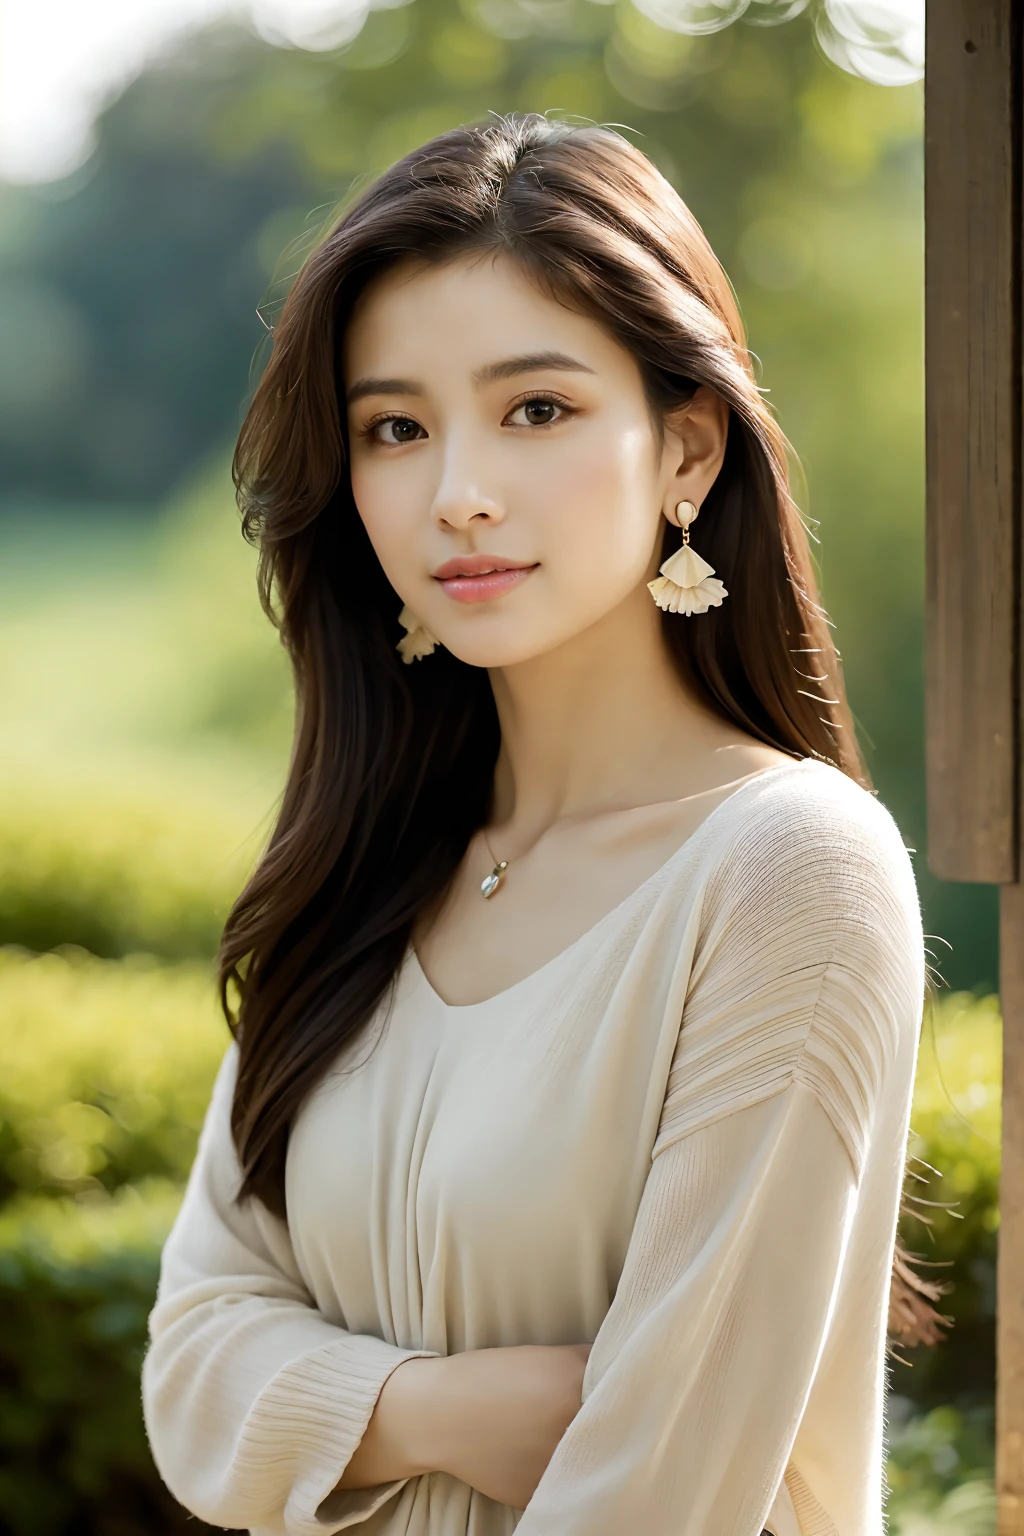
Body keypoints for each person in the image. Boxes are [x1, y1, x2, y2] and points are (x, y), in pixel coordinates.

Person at [141, 112, 935, 1536]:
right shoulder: (373, 860)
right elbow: (193, 1366)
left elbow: (655, 1497)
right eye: (397, 428)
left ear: (686, 451)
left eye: (538, 409)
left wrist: (324, 1410)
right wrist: (435, 1413)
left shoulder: (787, 870)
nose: (459, 495)